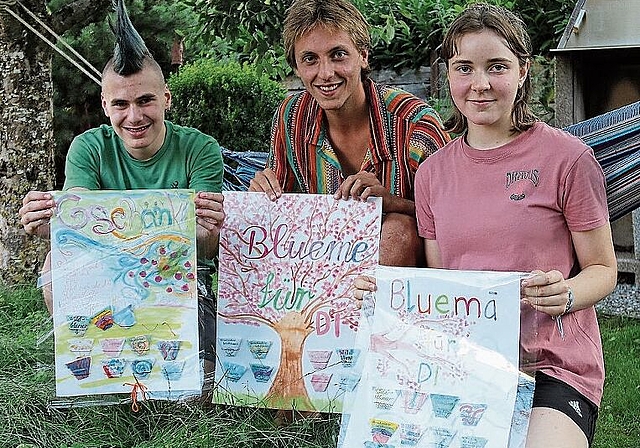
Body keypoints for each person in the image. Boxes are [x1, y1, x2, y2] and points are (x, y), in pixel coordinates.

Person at [354, 4, 617, 447]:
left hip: (551, 364)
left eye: (497, 67)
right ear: (450, 76)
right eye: (464, 68)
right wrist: (386, 296)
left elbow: (604, 270)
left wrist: (566, 292)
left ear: (522, 71)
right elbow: (442, 285)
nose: (480, 84)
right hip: (462, 362)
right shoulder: (433, 174)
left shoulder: (568, 159)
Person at [18, 0, 225, 379]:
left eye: (145, 100)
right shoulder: (88, 148)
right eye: (121, 104)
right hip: (107, 281)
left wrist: (208, 231)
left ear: (166, 98)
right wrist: (48, 225)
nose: (134, 116)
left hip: (181, 282)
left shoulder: (200, 148)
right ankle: (93, 359)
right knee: (54, 267)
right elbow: (76, 237)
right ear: (104, 105)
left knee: (201, 391)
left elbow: (205, 246)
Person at [248, 0, 449, 267]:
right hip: (322, 270)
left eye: (338, 54)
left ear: (363, 56)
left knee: (398, 228)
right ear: (296, 67)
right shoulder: (292, 116)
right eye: (310, 59)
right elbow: (281, 215)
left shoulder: (414, 123)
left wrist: (390, 203)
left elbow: (454, 221)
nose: (326, 73)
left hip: (403, 288)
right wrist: (263, 194)